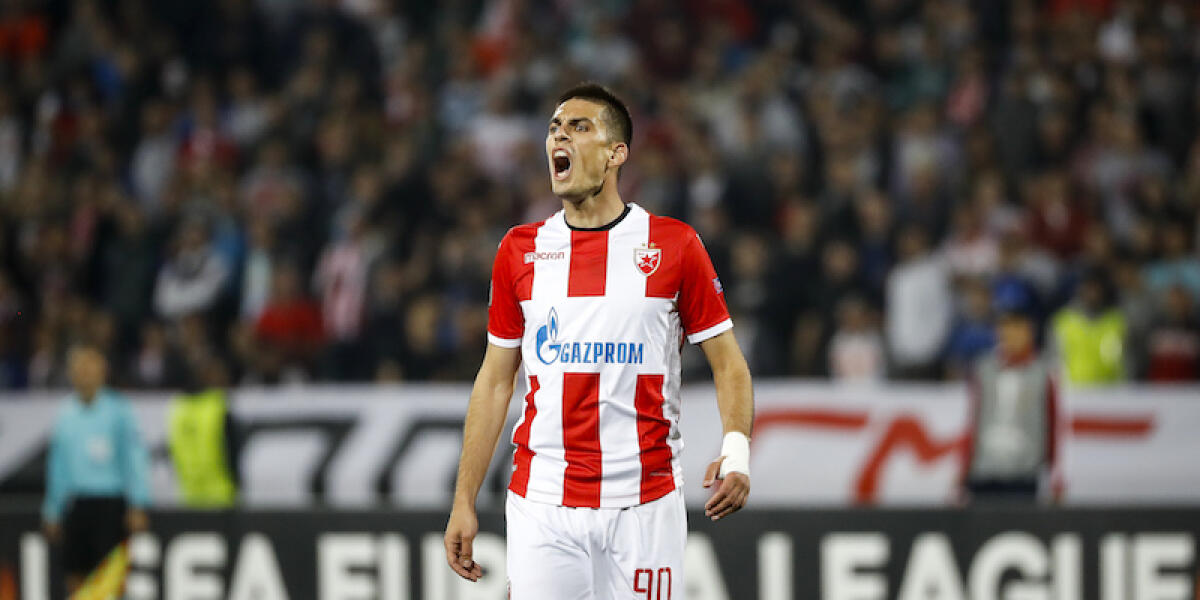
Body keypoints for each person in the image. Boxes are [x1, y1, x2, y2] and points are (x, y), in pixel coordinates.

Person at [443, 83, 754, 599]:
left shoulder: (674, 245)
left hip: (645, 503)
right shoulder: (519, 251)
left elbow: (729, 364)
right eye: (553, 128)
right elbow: (496, 381)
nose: (559, 135)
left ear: (617, 154)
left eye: (579, 126)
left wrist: (737, 451)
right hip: (542, 502)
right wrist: (463, 498)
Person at [42, 344, 151, 595]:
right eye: (79, 369)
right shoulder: (66, 415)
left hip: (110, 503)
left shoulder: (118, 410)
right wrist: (52, 510)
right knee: (74, 574)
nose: (85, 375)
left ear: (103, 372)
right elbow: (58, 466)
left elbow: (133, 458)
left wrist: (138, 503)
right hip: (77, 503)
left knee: (112, 574)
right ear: (71, 374)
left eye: (90, 369)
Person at [962, 291, 1060, 503]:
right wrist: (964, 471)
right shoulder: (984, 369)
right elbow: (974, 422)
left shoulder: (1042, 373)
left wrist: (1053, 473)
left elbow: (1052, 426)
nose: (1009, 332)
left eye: (1016, 326)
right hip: (984, 472)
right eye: (1004, 326)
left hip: (1023, 474)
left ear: (1028, 330)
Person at [167, 356, 239, 508]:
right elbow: (232, 451)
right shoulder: (218, 407)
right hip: (221, 495)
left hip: (188, 496)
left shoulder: (178, 409)